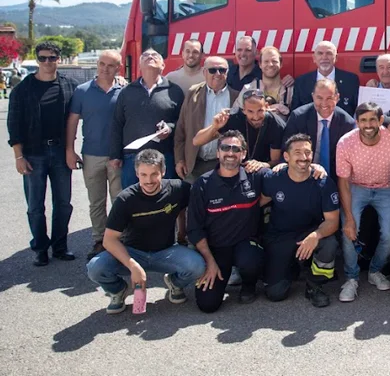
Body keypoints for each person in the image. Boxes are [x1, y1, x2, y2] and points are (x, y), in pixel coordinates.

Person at [86, 149, 206, 314]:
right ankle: (118, 290)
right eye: (143, 175)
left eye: (154, 174)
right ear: (137, 173)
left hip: (166, 251)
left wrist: (182, 231)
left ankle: (175, 283)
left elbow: (196, 202)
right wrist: (133, 266)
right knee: (95, 267)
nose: (149, 181)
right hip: (132, 252)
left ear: (163, 171)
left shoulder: (178, 189)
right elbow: (109, 240)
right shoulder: (125, 199)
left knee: (197, 266)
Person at [336, 102, 390, 303]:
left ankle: (375, 270)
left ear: (381, 120)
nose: (368, 125)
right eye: (363, 120)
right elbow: (343, 182)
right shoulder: (345, 143)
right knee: (349, 231)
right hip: (356, 187)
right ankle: (351, 278)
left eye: (372, 120)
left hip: (386, 188)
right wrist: (349, 219)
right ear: (357, 122)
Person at [9, 42, 78, 266]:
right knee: (35, 206)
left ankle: (60, 246)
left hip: (60, 151)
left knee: (63, 203)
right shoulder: (22, 89)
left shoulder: (70, 86)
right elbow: (14, 125)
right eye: (42, 58)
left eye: (52, 57)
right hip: (33, 153)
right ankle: (40, 248)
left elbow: (88, 99)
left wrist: (118, 81)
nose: (47, 62)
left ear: (59, 59)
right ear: (37, 60)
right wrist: (19, 156)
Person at [259, 134, 341, 307]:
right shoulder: (273, 178)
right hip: (279, 237)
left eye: (307, 152)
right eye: (297, 152)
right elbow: (258, 202)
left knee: (329, 244)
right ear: (286, 156)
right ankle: (293, 267)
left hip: (309, 234)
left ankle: (315, 285)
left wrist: (316, 235)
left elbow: (333, 221)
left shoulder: (323, 182)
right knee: (275, 293)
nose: (304, 157)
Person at [186, 131, 265, 312]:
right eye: (225, 148)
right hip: (215, 250)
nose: (230, 153)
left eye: (236, 149)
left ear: (243, 154)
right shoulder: (202, 184)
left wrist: (268, 164)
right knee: (207, 305)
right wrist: (209, 261)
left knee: (251, 260)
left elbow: (285, 174)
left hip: (245, 244)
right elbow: (195, 229)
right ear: (218, 152)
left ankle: (249, 285)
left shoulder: (255, 176)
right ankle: (221, 274)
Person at [66, 50, 124, 260]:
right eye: (102, 64)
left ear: (118, 68)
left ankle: (119, 240)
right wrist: (69, 150)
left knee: (120, 200)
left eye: (110, 65)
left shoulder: (124, 90)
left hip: (118, 155)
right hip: (91, 155)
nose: (105, 69)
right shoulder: (82, 91)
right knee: (96, 202)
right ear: (97, 65)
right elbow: (72, 121)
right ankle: (100, 240)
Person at [110, 49, 185, 189]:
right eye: (145, 55)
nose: (150, 56)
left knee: (164, 198)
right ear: (139, 66)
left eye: (155, 55)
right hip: (132, 158)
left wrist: (170, 128)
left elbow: (182, 122)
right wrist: (115, 155)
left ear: (163, 65)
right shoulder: (127, 91)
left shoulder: (174, 91)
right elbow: (117, 123)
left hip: (163, 157)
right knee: (132, 199)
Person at [174, 56, 240, 182]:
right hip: (193, 164)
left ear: (227, 73)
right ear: (204, 72)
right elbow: (181, 128)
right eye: (212, 70)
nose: (217, 74)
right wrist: (180, 160)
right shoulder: (193, 93)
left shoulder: (236, 97)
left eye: (222, 70)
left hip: (222, 165)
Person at [193, 88, 285, 170]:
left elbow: (276, 160)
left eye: (260, 110)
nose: (256, 117)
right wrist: (214, 127)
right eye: (250, 111)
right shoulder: (234, 118)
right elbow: (196, 141)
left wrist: (263, 165)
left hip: (262, 171)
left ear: (266, 106)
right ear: (243, 110)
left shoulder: (276, 124)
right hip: (234, 168)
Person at [283, 79, 356, 174]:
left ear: (337, 98)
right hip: (303, 171)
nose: (324, 103)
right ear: (313, 97)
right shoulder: (298, 117)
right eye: (319, 98)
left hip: (334, 174)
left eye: (329, 98)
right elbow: (286, 148)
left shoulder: (347, 123)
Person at [291, 40, 360, 115]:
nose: (324, 57)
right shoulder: (301, 82)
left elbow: (356, 110)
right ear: (314, 58)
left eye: (329, 53)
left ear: (336, 57)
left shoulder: (351, 80)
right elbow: (296, 112)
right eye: (320, 53)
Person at [235, 46, 294, 122]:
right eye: (266, 61)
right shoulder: (248, 89)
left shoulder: (290, 90)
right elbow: (235, 115)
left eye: (274, 61)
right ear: (260, 65)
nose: (270, 64)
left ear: (281, 64)